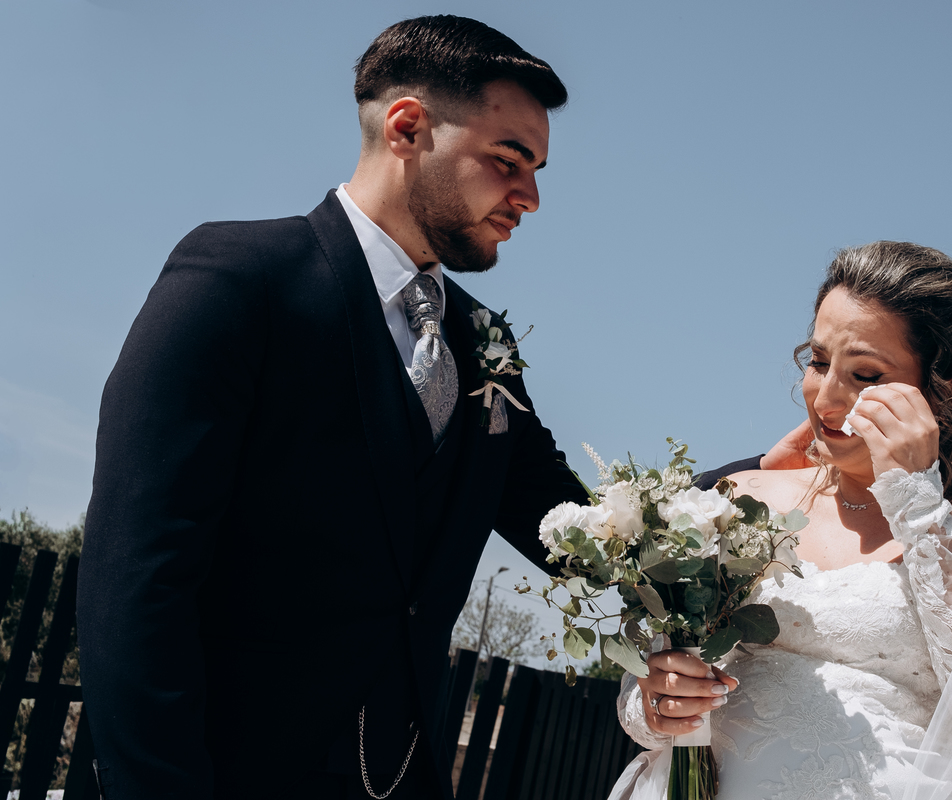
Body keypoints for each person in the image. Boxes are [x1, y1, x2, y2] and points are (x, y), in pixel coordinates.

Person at [76, 16, 592, 800]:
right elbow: (136, 575)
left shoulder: (483, 341)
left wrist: (751, 490)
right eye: (508, 159)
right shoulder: (241, 279)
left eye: (537, 169)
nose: (531, 197)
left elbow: (575, 529)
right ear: (407, 128)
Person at [611, 242, 952, 800]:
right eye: (819, 361)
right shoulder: (739, 498)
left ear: (950, 391)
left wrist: (918, 502)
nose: (826, 399)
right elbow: (649, 692)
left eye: (866, 374)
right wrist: (659, 700)